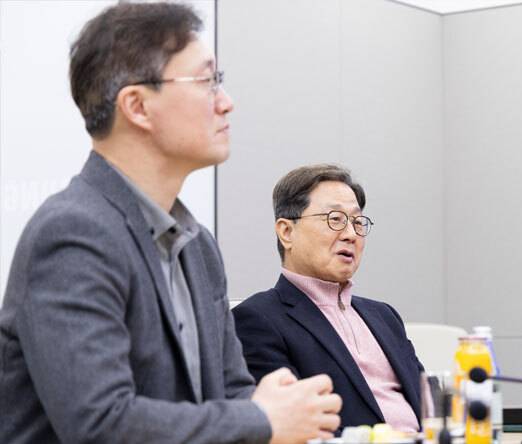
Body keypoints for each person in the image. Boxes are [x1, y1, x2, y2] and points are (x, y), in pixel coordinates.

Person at [0, 3, 340, 443]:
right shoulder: (72, 234)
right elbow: (100, 425)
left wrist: (280, 408)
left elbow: (230, 392)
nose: (226, 102)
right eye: (206, 82)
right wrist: (261, 420)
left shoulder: (198, 246)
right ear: (137, 106)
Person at [233, 164, 423, 432]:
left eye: (358, 222)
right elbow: (291, 429)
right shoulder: (257, 319)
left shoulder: (385, 316)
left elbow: (431, 403)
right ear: (287, 232)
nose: (351, 234)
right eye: (335, 219)